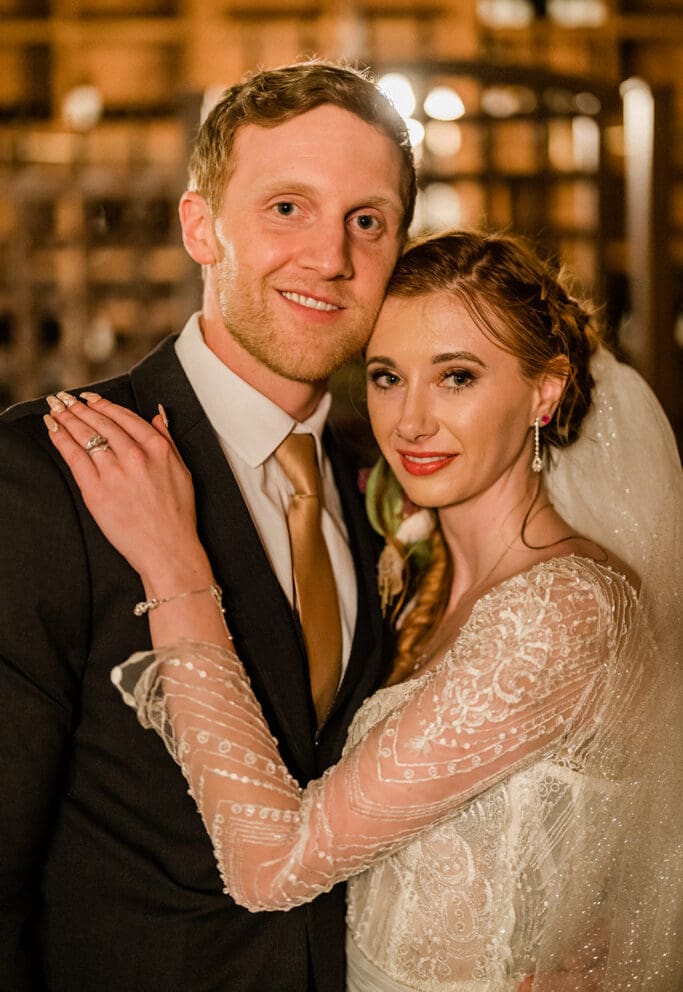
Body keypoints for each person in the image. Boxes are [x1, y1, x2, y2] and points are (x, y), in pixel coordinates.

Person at [43, 229, 683, 991]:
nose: (410, 420)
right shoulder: (421, 577)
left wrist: (174, 564)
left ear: (543, 391)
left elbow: (273, 867)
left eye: (456, 377)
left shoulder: (558, 609)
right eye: (386, 376)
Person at [0, 60, 416, 991]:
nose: (330, 258)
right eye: (286, 209)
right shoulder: (43, 474)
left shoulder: (385, 483)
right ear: (201, 227)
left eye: (367, 221)